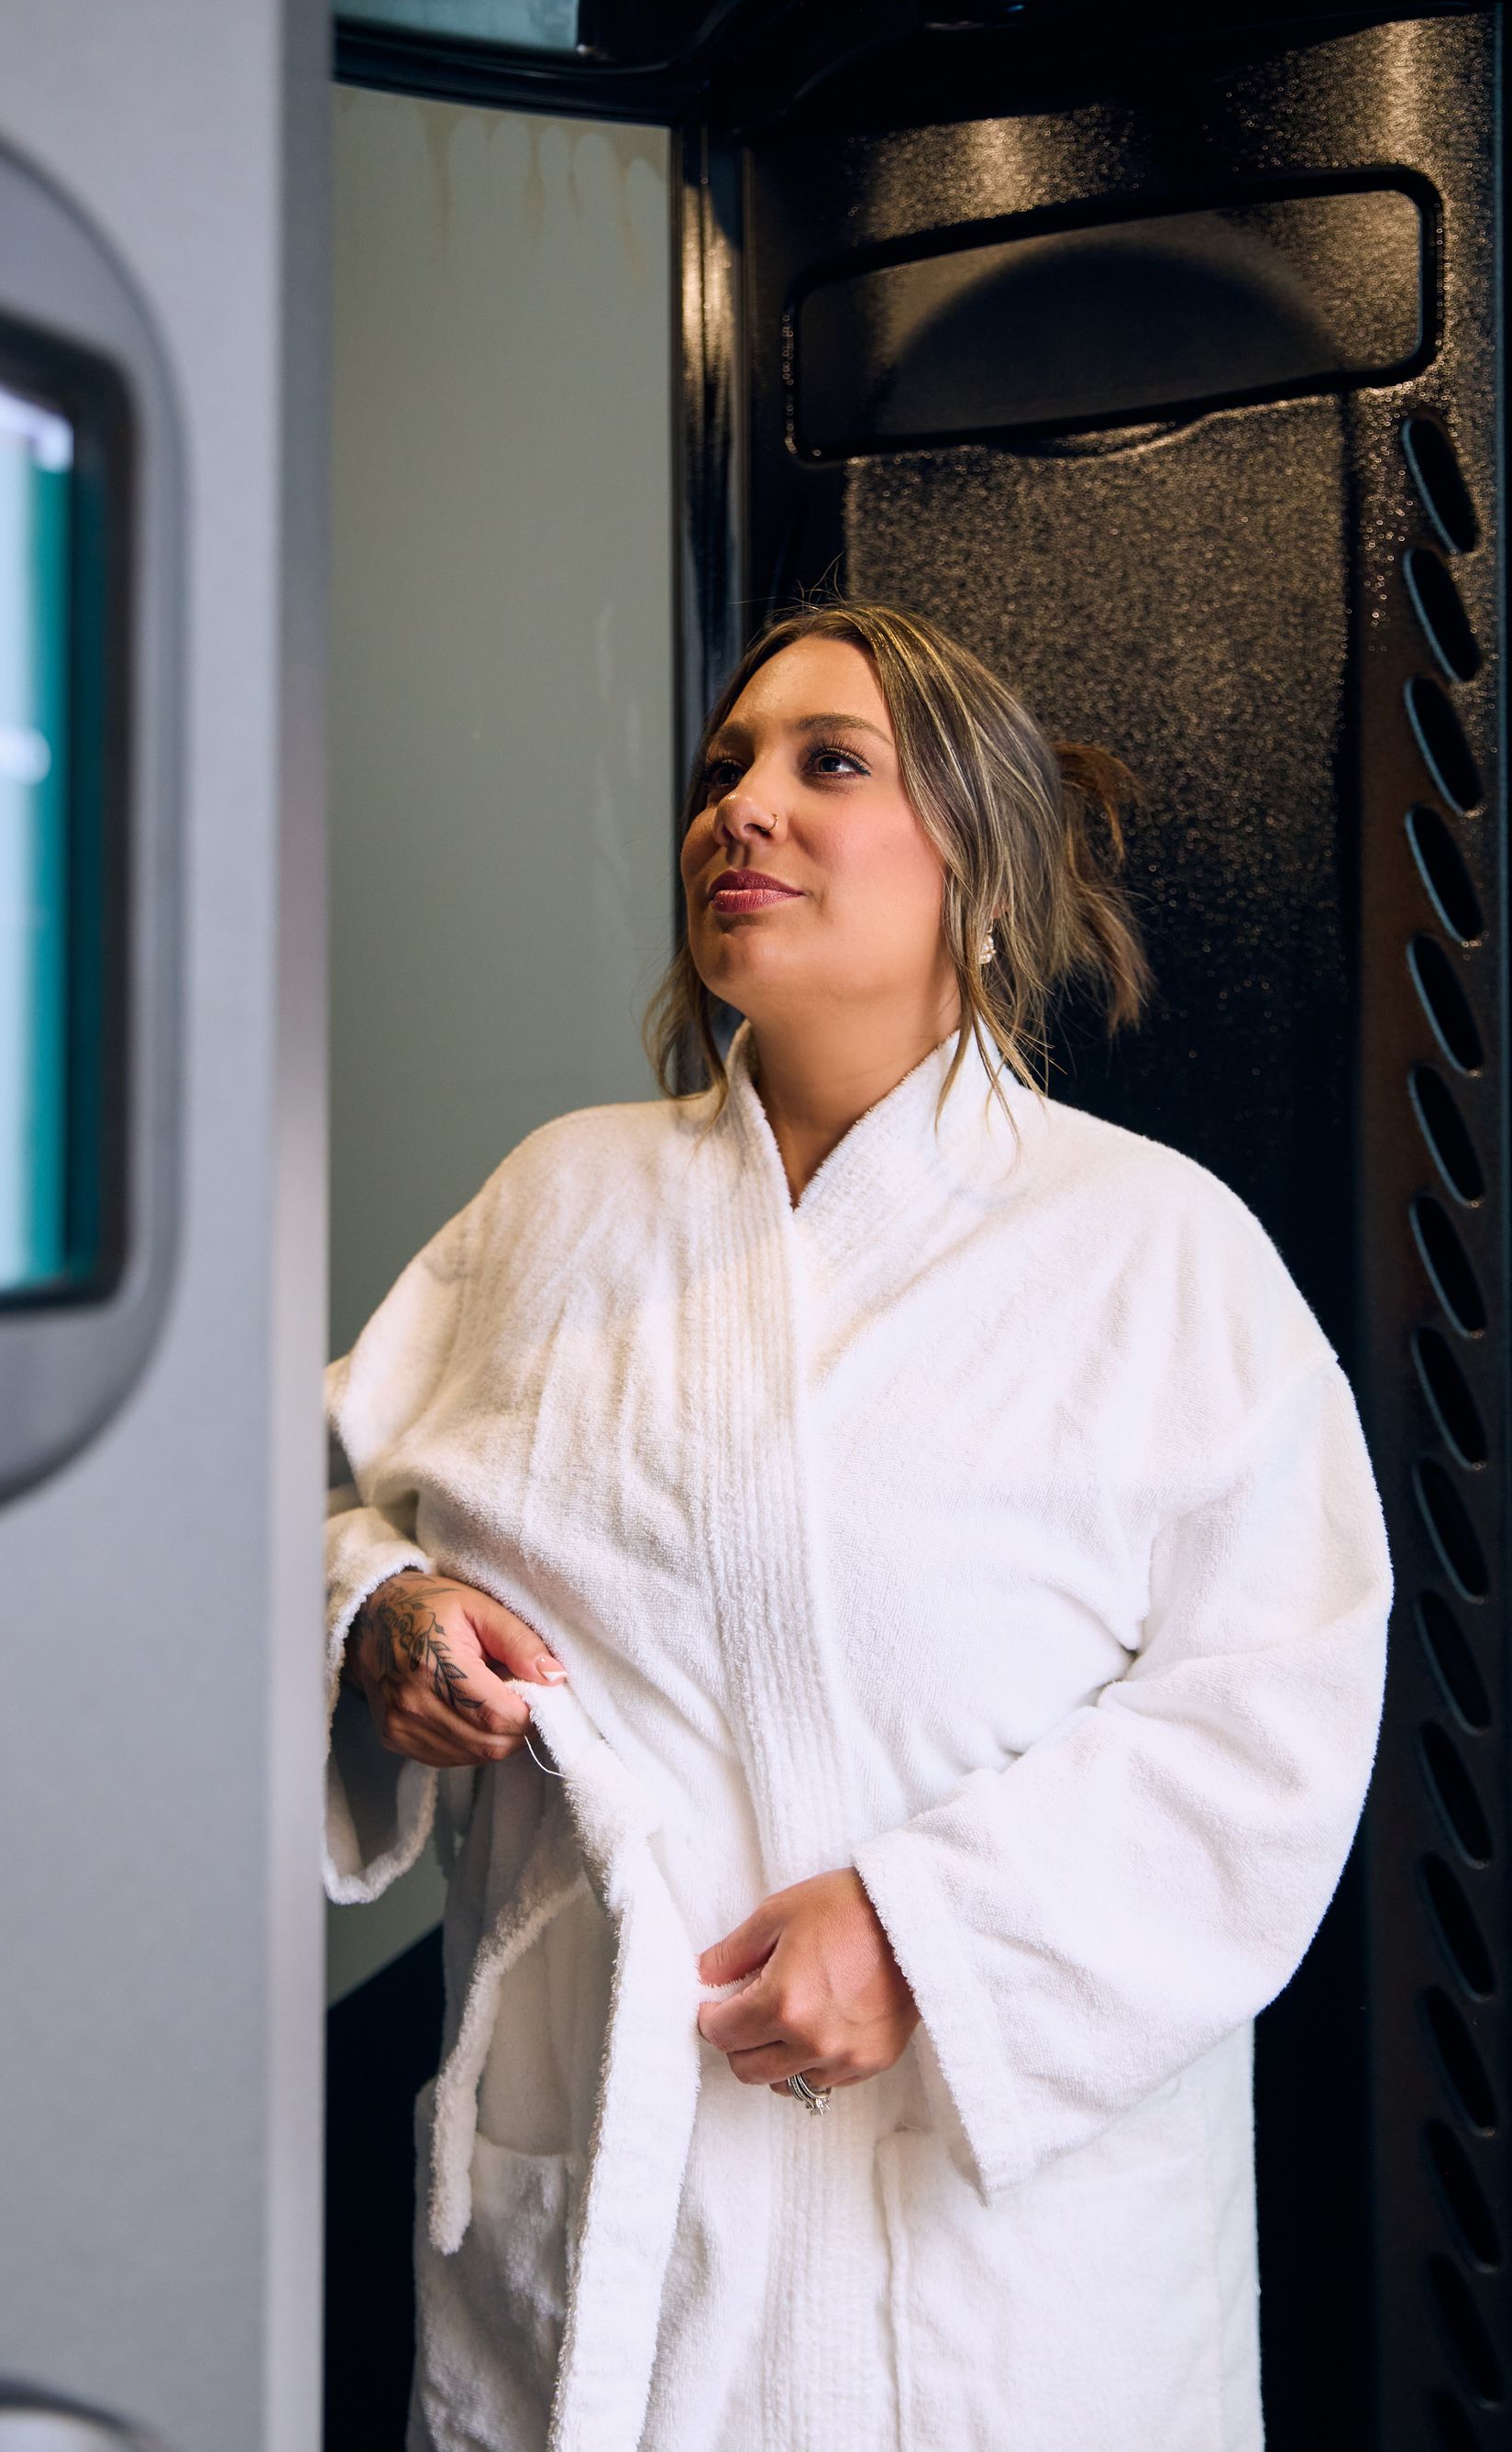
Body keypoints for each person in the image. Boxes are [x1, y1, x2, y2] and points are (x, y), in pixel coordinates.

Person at [324, 598, 1392, 2452]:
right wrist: (378, 1607)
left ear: (978, 867)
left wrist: (930, 1927)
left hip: (1004, 2272)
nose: (742, 807)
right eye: (725, 766)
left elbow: (1274, 1712)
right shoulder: (557, 1207)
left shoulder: (1157, 1251)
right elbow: (301, 1514)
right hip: (611, 2220)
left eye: (831, 762)